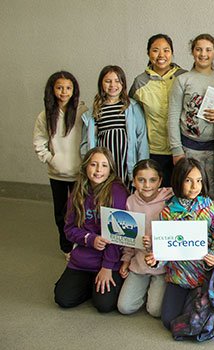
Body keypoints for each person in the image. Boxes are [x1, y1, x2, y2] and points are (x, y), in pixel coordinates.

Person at [143, 158, 214, 330]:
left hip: (204, 275)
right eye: (188, 181)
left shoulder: (211, 209)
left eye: (198, 181)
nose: (194, 186)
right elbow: (165, 248)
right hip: (178, 276)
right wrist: (156, 258)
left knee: (199, 319)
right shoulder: (167, 213)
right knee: (168, 321)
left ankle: (196, 301)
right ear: (178, 181)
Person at [168, 33, 214, 215]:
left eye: (208, 50)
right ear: (192, 52)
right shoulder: (182, 80)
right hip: (189, 149)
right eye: (199, 49)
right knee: (188, 193)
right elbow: (173, 116)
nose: (203, 54)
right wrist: (176, 149)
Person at [54, 147, 128, 312]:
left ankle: (98, 285)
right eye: (93, 164)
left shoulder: (117, 192)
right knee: (63, 299)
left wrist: (107, 267)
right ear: (86, 167)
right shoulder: (78, 191)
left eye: (104, 165)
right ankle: (89, 285)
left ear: (110, 170)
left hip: (109, 259)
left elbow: (119, 235)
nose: (98, 170)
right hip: (83, 259)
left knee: (104, 305)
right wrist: (89, 238)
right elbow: (69, 228)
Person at [33, 71, 88, 259]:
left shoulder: (82, 111)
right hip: (56, 174)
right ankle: (66, 248)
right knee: (61, 212)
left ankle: (79, 244)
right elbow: (39, 141)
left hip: (79, 174)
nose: (64, 92)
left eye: (68, 88)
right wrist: (51, 159)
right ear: (52, 90)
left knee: (80, 211)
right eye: (59, 88)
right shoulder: (45, 115)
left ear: (74, 90)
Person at [117, 159, 173, 317]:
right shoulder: (130, 202)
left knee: (155, 310)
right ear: (134, 181)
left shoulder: (169, 200)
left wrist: (155, 243)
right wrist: (126, 260)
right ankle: (145, 289)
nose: (147, 185)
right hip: (139, 264)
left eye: (153, 180)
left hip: (161, 266)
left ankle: (155, 290)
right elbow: (128, 235)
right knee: (125, 307)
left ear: (160, 181)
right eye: (141, 180)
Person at [129, 34, 187, 186]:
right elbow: (131, 113)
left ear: (172, 53)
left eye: (166, 50)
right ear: (148, 53)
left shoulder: (184, 77)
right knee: (156, 197)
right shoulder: (140, 82)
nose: (161, 55)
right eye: (155, 50)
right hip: (154, 150)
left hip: (183, 147)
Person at [81, 65, 150, 188]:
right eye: (108, 81)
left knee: (125, 193)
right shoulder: (94, 110)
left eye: (117, 81)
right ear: (101, 84)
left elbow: (141, 137)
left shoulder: (132, 107)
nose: (113, 85)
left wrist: (143, 165)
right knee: (105, 192)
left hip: (126, 162)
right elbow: (89, 141)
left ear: (123, 83)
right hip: (105, 162)